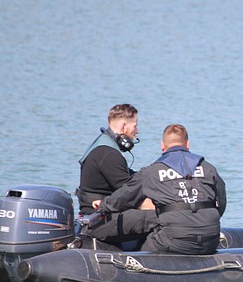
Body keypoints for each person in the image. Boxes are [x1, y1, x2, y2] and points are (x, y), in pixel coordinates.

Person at [93, 123, 227, 254]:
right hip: (210, 240)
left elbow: (125, 196)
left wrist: (103, 206)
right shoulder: (209, 168)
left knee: (142, 250)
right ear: (187, 144)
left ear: (162, 146)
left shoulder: (152, 172)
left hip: (174, 241)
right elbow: (221, 203)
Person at [76, 104, 157, 246]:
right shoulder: (109, 155)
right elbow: (129, 196)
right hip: (99, 221)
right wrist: (164, 208)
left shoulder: (105, 148)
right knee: (161, 218)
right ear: (123, 127)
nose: (136, 131)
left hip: (102, 215)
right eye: (135, 126)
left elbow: (133, 181)